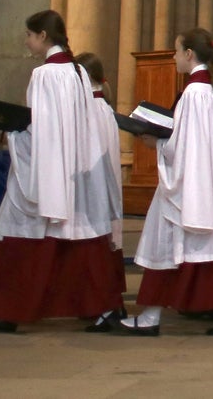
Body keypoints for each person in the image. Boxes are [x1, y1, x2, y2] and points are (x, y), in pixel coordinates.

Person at [0, 9, 120, 333]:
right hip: (76, 171)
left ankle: (4, 312)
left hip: (50, 169)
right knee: (80, 240)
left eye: (28, 35)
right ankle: (101, 308)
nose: (26, 41)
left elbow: (44, 131)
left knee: (20, 239)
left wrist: (11, 137)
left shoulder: (45, 75)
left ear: (42, 36)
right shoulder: (78, 71)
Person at [119, 28, 213, 335]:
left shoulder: (194, 94)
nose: (174, 57)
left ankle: (153, 317)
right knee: (205, 251)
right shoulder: (208, 90)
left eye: (177, 51)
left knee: (166, 246)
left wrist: (156, 142)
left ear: (189, 55)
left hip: (189, 186)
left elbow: (184, 147)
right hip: (205, 183)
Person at [73, 51, 128, 311]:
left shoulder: (91, 110)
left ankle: (101, 305)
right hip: (104, 186)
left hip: (92, 188)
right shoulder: (104, 107)